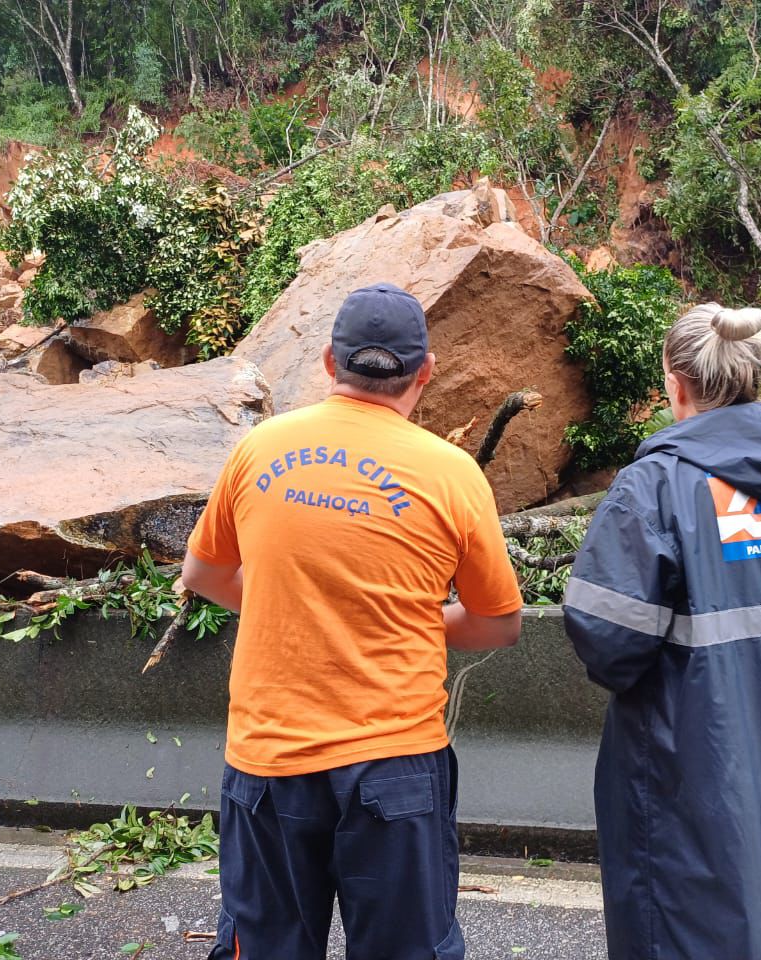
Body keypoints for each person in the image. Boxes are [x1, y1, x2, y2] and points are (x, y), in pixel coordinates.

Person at [181, 282, 523, 960]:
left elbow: (203, 575)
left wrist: (294, 603)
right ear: (424, 372)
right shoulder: (452, 474)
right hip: (393, 765)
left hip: (269, 764)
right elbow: (499, 623)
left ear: (330, 366)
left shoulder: (259, 450)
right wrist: (412, 619)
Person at [563, 303, 761, 960]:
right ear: (753, 375)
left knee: (691, 922)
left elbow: (606, 637)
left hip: (696, 764)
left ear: (675, 384)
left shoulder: (654, 487)